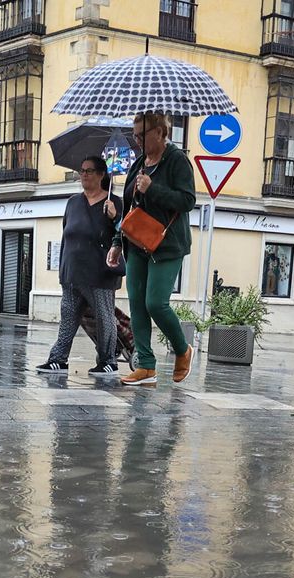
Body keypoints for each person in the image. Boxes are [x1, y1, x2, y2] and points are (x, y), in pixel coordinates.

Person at [108, 112, 196, 386]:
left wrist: (152, 188)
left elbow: (187, 200)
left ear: (160, 132)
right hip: (136, 243)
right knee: (137, 305)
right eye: (135, 135)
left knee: (155, 304)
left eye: (141, 135)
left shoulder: (177, 160)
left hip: (167, 244)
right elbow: (130, 208)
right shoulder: (138, 165)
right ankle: (146, 366)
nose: (136, 140)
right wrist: (116, 243)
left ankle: (183, 349)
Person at [37, 155, 121, 376]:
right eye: (81, 171)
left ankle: (108, 360)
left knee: (104, 317)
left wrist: (115, 217)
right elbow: (66, 234)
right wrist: (62, 268)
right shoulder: (73, 202)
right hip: (72, 271)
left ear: (101, 175)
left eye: (89, 171)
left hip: (100, 271)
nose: (83, 174)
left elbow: (124, 234)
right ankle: (58, 359)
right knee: (68, 316)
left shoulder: (114, 202)